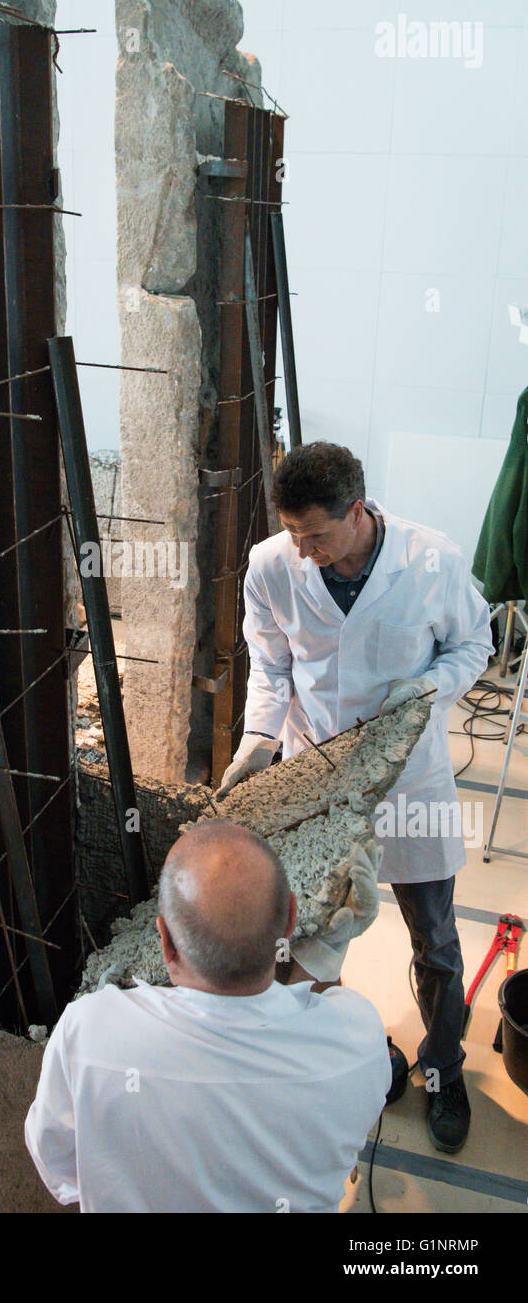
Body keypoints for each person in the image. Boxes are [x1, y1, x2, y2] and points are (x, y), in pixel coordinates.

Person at [218, 442, 492, 1153]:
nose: (303, 549)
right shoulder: (272, 565)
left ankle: (444, 1065)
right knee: (312, 930)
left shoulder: (430, 562)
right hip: (319, 772)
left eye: (316, 534)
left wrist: (425, 695)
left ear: (357, 511)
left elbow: (473, 644)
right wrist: (257, 737)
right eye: (292, 532)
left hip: (409, 776)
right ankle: (346, 1057)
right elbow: (271, 663)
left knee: (432, 935)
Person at [25, 821, 391, 1213]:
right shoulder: (359, 1044)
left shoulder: (90, 1032)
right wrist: (324, 955)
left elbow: (59, 1168)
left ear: (165, 940)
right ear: (290, 920)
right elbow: (308, 1030)